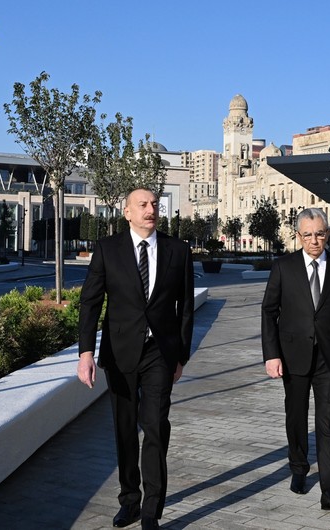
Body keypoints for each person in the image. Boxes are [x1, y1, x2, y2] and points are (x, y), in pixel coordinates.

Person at [77, 187, 194, 530]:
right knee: (125, 430)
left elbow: (185, 307)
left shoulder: (178, 250)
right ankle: (129, 499)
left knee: (155, 427)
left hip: (160, 352)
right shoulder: (107, 250)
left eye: (154, 204)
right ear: (127, 212)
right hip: (120, 352)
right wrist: (86, 353)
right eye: (142, 205)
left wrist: (181, 356)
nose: (150, 209)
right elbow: (90, 303)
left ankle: (151, 509)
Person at [261, 207, 330, 510]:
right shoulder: (283, 267)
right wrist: (271, 355)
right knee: (296, 415)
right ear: (298, 236)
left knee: (328, 420)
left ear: (327, 233)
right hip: (294, 356)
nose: (314, 240)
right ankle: (299, 468)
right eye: (308, 235)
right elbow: (269, 312)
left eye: (320, 233)